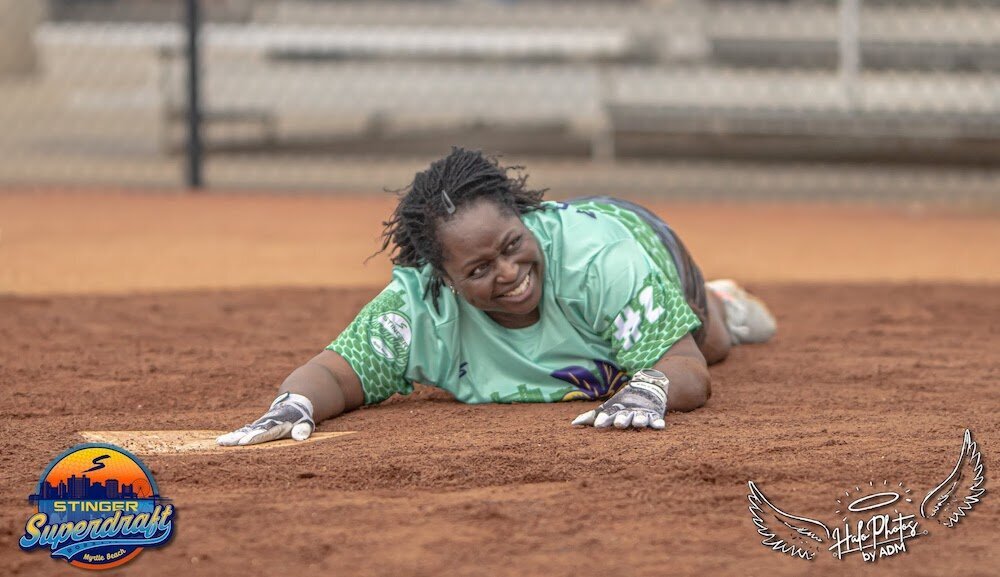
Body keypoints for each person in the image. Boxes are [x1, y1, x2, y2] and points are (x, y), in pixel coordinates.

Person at [217, 148, 776, 446]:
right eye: (481, 268)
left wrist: (651, 387)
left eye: (513, 245)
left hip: (639, 239)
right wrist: (294, 403)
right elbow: (337, 373)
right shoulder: (422, 307)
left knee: (712, 340)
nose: (510, 273)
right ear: (444, 279)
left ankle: (721, 300)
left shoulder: (601, 261)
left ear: (525, 218)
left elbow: (686, 368)